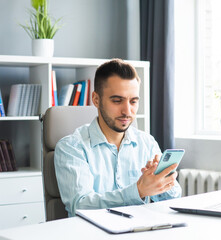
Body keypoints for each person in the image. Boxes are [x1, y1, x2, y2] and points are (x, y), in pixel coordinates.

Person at [54, 58, 181, 217]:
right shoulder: (71, 147)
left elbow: (171, 200)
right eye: (117, 100)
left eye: (133, 101)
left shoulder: (147, 143)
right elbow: (80, 205)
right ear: (96, 99)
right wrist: (139, 190)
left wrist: (165, 181)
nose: (127, 111)